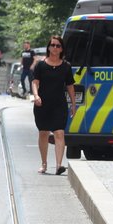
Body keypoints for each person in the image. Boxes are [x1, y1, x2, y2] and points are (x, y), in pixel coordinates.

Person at [32, 35, 76, 175]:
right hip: (42, 104)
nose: (55, 48)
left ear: (62, 49)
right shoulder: (41, 64)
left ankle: (58, 165)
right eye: (53, 45)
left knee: (59, 132)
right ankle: (44, 163)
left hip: (59, 105)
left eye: (58, 46)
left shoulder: (66, 66)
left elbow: (70, 86)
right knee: (43, 133)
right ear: (49, 47)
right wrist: (36, 95)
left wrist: (73, 104)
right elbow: (35, 82)